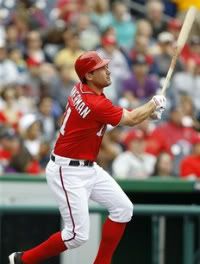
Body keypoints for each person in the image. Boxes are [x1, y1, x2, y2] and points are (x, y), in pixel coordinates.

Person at [9, 51, 166, 264]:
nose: (108, 70)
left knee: (123, 209)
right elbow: (128, 119)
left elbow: (104, 121)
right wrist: (152, 104)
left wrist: (148, 114)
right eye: (101, 68)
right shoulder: (94, 102)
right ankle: (23, 260)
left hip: (87, 166)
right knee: (77, 236)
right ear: (89, 76)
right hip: (68, 170)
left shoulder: (83, 89)